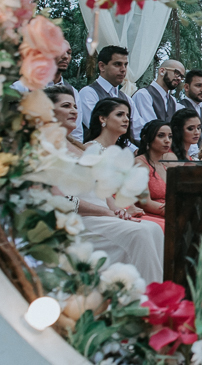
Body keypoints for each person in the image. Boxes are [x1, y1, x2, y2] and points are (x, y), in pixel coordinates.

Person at [76, 94, 164, 283]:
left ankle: (158, 287)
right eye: (120, 114)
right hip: (95, 208)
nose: (126, 119)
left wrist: (125, 207)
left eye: (128, 115)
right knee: (146, 230)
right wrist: (119, 209)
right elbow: (97, 189)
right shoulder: (90, 149)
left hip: (118, 206)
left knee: (156, 230)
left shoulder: (122, 152)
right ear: (103, 119)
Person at [13, 40, 83, 139]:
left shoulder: (73, 92)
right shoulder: (22, 87)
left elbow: (77, 133)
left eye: (69, 53)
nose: (65, 57)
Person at [78, 46, 142, 144]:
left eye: (125, 65)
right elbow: (98, 128)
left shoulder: (126, 98)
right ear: (102, 66)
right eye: (117, 64)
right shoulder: (88, 93)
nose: (123, 69)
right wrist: (132, 150)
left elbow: (139, 130)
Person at [131, 59, 185, 142]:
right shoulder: (144, 95)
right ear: (162, 71)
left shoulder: (173, 101)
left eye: (181, 76)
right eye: (176, 73)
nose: (179, 78)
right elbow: (147, 128)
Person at [134, 120, 171, 231]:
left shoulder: (165, 165)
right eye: (161, 136)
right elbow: (144, 202)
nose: (167, 141)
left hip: (169, 211)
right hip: (149, 214)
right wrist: (174, 210)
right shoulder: (139, 164)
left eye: (170, 136)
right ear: (146, 138)